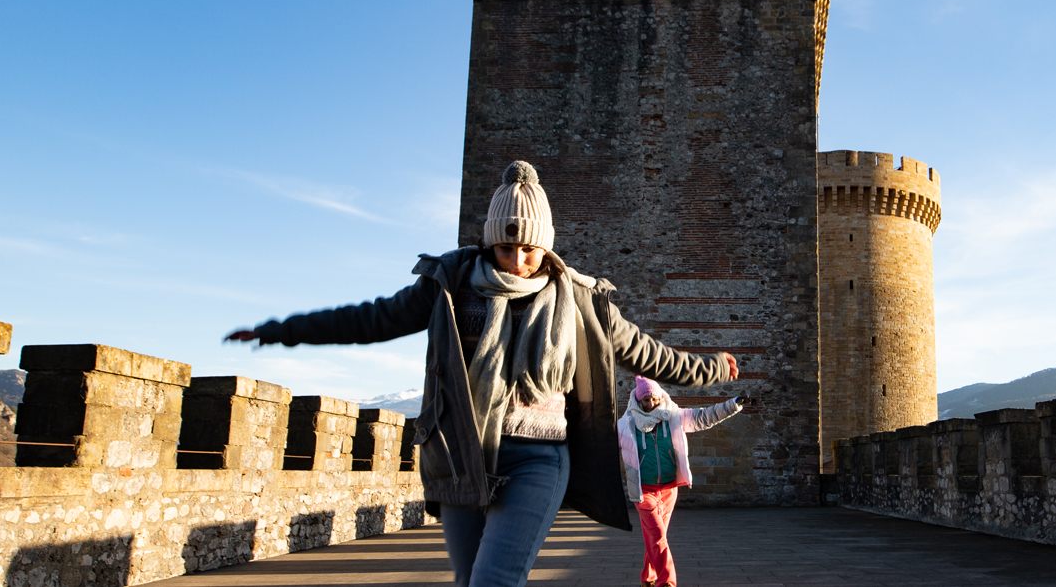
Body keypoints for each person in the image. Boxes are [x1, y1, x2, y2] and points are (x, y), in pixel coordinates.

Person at [222, 161, 738, 587]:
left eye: (530, 248)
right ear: (489, 239)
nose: (517, 260)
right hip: (462, 455)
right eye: (506, 246)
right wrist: (280, 330)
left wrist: (711, 367)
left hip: (540, 458)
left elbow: (646, 353)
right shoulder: (451, 282)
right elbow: (373, 318)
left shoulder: (580, 300)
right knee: (470, 580)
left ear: (546, 245)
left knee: (493, 582)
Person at [617, 377, 745, 587]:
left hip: (668, 489)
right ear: (639, 401)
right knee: (657, 534)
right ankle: (667, 582)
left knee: (657, 535)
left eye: (653, 399)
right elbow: (602, 442)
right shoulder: (626, 425)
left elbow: (704, 416)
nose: (650, 404)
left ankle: (647, 577)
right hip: (643, 490)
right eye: (646, 400)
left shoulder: (673, 416)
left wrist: (733, 405)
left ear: (660, 397)